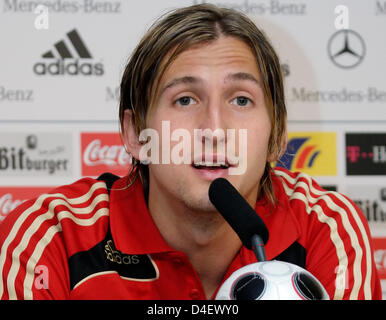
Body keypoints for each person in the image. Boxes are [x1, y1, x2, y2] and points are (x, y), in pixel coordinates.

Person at [0, 4, 381, 300]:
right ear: (135, 135)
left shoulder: (324, 228)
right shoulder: (52, 235)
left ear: (278, 134)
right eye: (185, 99)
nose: (214, 130)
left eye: (241, 100)